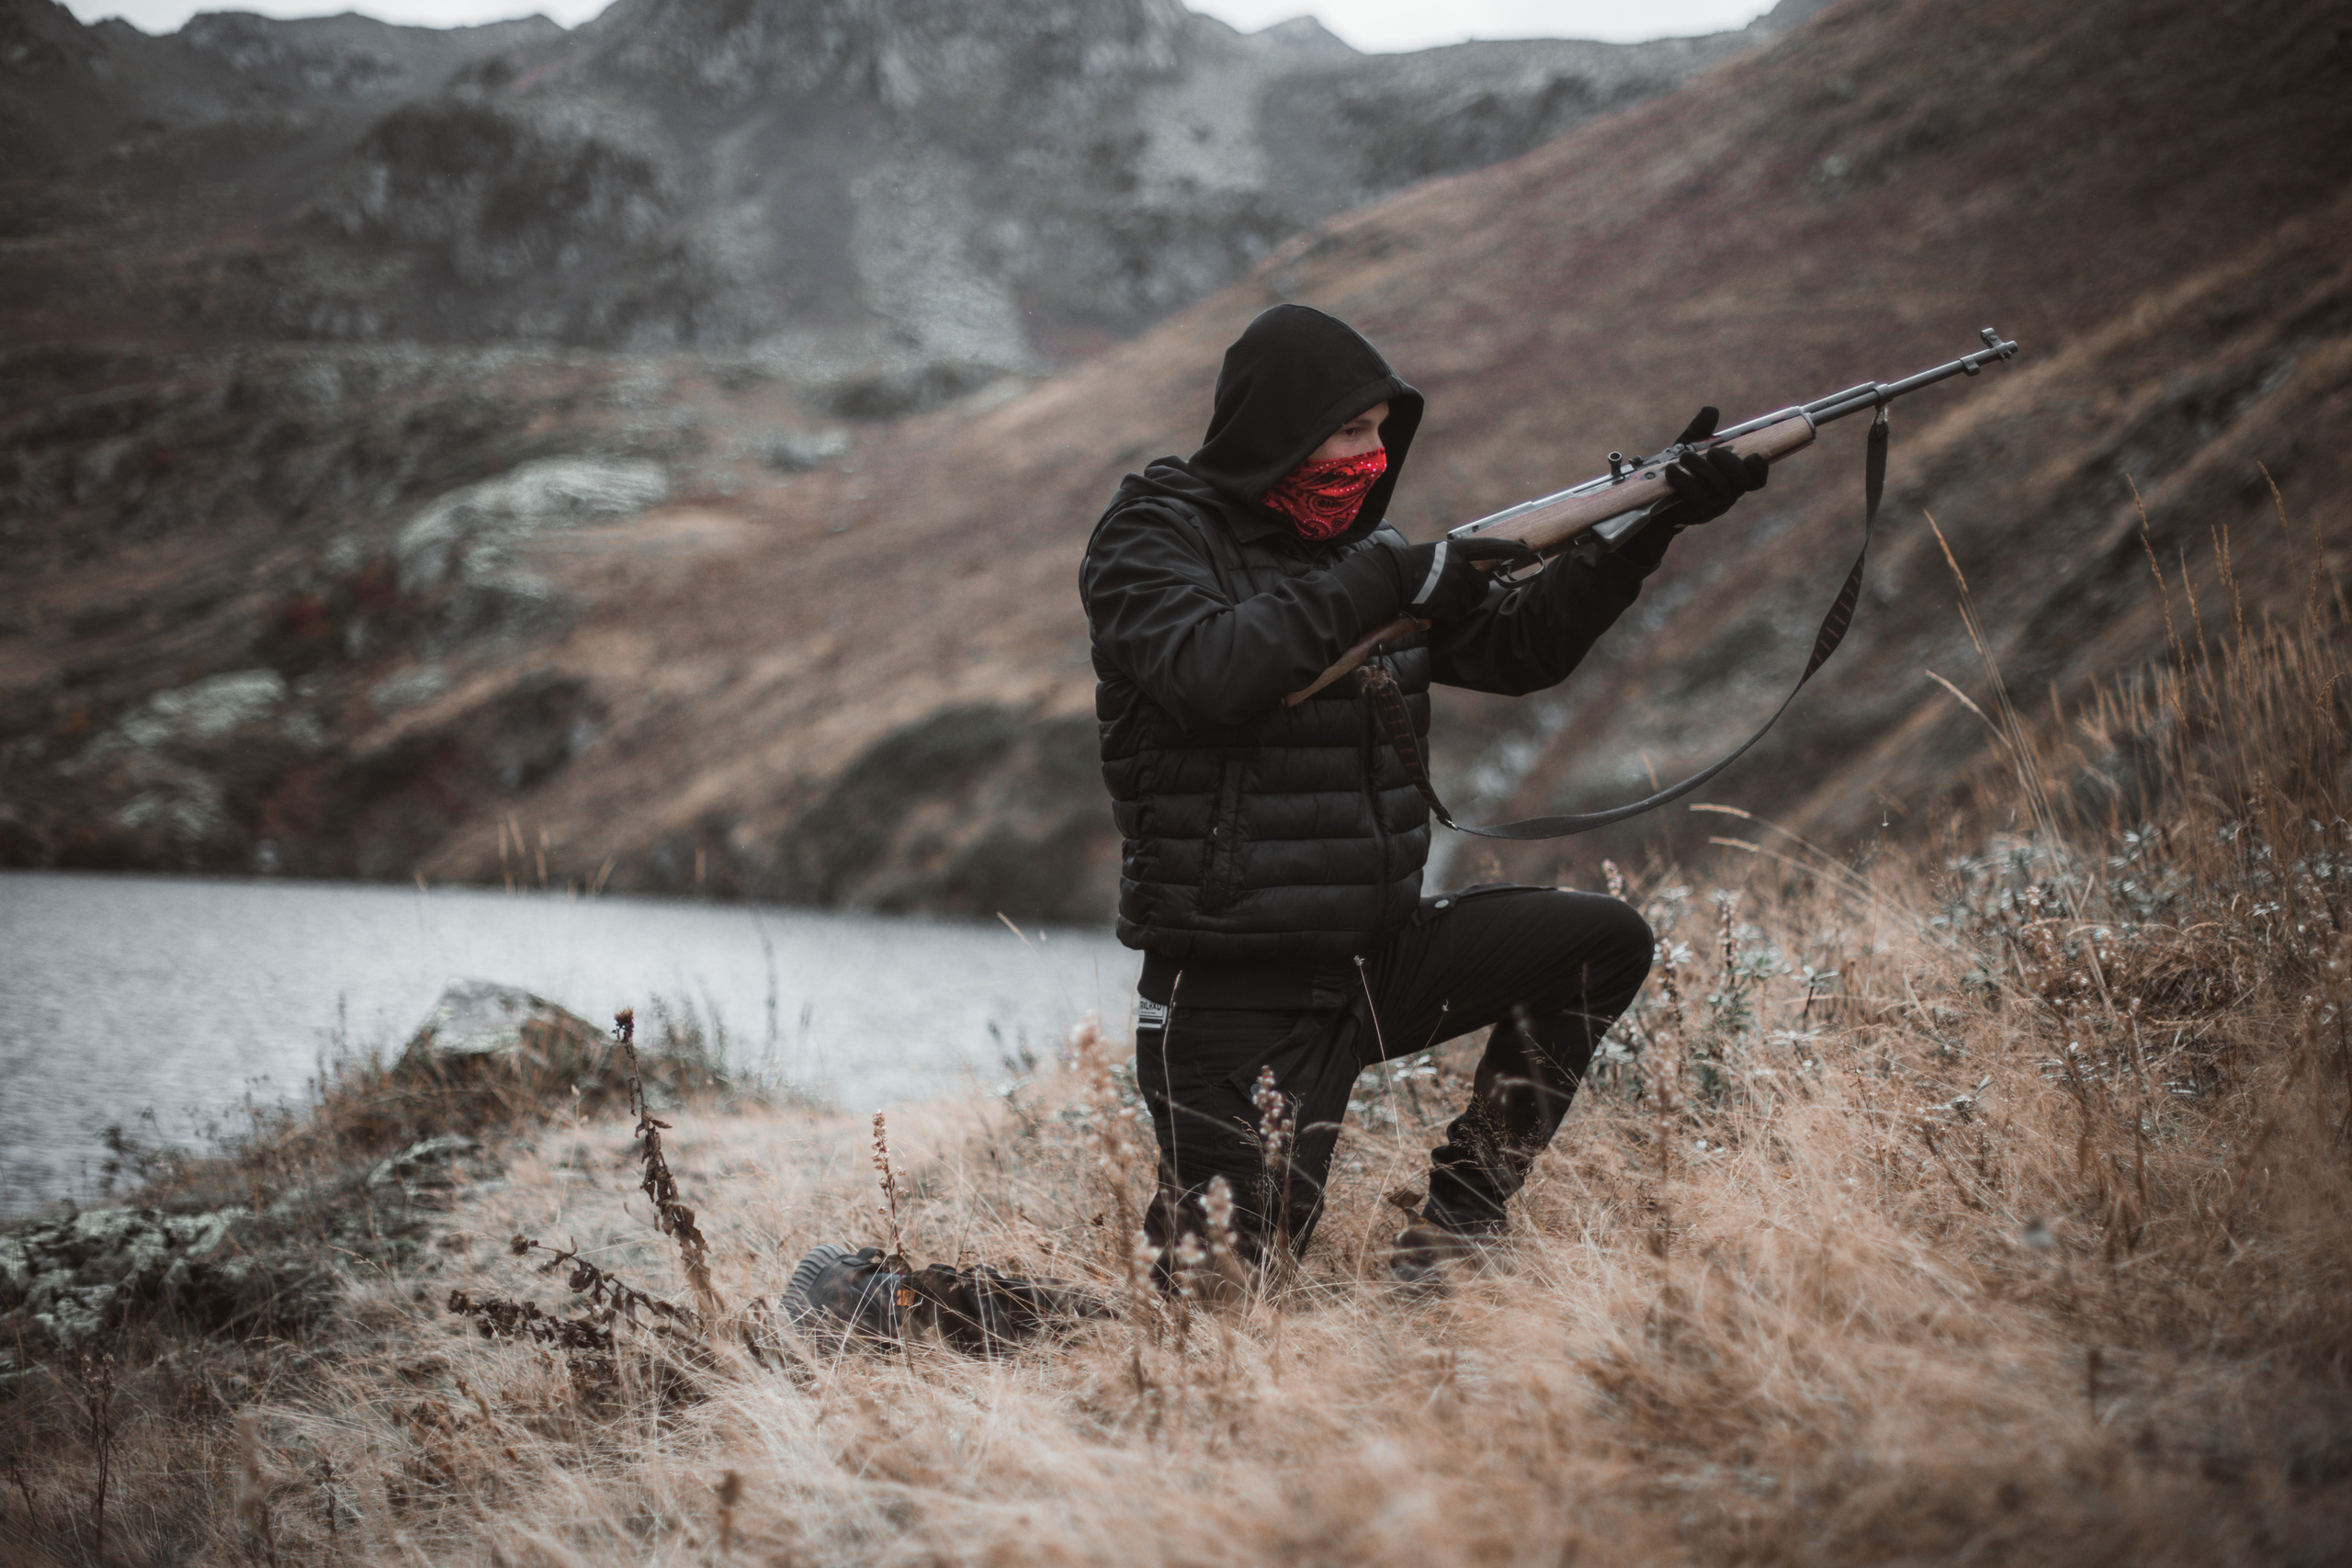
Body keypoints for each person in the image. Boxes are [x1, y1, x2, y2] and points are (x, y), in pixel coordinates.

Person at [1078, 303, 1767, 1285]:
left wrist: (1643, 526)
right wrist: (1389, 579)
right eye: (1348, 430)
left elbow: (1522, 649)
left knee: (1598, 942)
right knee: (1215, 1307)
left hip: (1374, 962)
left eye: (1379, 435)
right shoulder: (1151, 537)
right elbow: (1206, 671)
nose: (1368, 456)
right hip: (1235, 992)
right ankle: (888, 1301)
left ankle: (1456, 1228)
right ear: (1276, 427)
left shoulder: (1369, 555)